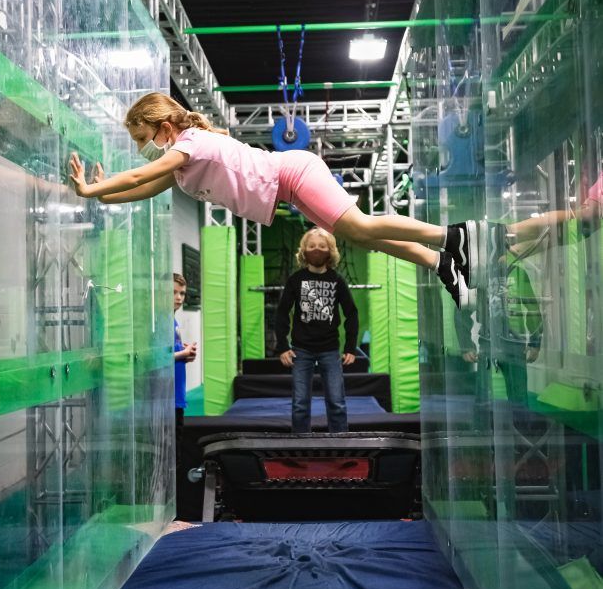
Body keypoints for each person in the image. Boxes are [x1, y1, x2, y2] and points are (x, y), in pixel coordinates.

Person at [68, 92, 482, 308]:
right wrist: (106, 200)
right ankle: (441, 263)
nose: (142, 148)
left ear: (162, 126)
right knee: (364, 236)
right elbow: (144, 187)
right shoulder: (179, 166)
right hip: (289, 191)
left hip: (294, 173)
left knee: (362, 227)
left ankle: (453, 236)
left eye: (142, 138)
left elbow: (141, 173)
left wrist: (92, 188)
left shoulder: (191, 142)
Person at [275, 228, 357, 433]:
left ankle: (341, 446)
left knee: (337, 403)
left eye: (322, 247)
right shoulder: (296, 280)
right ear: (304, 251)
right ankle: (300, 446)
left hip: (330, 349)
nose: (317, 250)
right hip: (301, 350)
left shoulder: (337, 280)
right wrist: (283, 346)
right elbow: (282, 313)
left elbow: (352, 314)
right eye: (312, 246)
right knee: (300, 404)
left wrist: (350, 347)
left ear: (330, 251)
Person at [173, 272, 196, 426]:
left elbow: (170, 355)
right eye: (173, 292)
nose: (179, 297)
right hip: (167, 399)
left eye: (182, 293)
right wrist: (183, 353)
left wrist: (186, 355)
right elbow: (155, 358)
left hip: (177, 397)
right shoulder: (158, 323)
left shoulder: (173, 321)